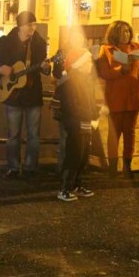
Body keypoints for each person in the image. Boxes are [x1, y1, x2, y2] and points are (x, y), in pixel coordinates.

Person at [0, 11, 50, 179]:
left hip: (32, 94)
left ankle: (31, 167)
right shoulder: (7, 42)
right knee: (13, 135)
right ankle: (13, 166)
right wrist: (2, 69)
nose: (33, 28)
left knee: (33, 135)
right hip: (12, 95)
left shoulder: (38, 43)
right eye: (30, 25)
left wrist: (45, 67)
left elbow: (44, 67)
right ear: (20, 26)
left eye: (34, 24)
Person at [97, 20, 139, 179]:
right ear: (114, 33)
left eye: (128, 31)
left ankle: (128, 166)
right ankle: (113, 168)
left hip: (132, 96)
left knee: (130, 132)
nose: (126, 34)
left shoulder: (137, 48)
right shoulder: (106, 49)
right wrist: (121, 70)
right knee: (114, 134)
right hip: (115, 97)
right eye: (122, 31)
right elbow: (103, 73)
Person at [54, 28, 99, 201]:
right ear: (80, 64)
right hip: (75, 121)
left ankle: (77, 184)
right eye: (88, 62)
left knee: (83, 153)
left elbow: (89, 100)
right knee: (74, 152)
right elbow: (72, 106)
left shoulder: (86, 81)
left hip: (84, 120)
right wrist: (88, 114)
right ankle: (65, 187)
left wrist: (94, 112)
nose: (90, 65)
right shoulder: (69, 83)